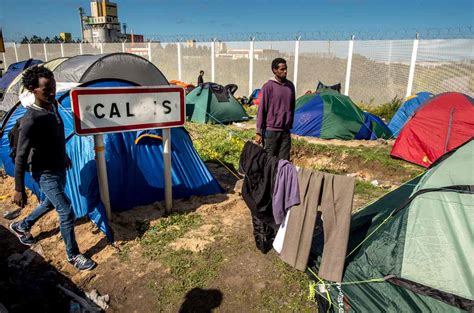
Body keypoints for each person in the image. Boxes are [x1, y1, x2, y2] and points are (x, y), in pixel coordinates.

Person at [9, 66, 96, 271]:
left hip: (58, 168)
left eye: (53, 88)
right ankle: (73, 255)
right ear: (33, 89)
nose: (51, 92)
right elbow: (21, 156)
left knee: (49, 203)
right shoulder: (31, 120)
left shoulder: (53, 106)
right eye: (46, 89)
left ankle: (22, 226)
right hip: (44, 173)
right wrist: (18, 188)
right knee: (66, 211)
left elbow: (55, 137)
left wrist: (64, 155)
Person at [255, 58, 296, 161]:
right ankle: (268, 178)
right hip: (271, 131)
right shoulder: (268, 87)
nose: (285, 71)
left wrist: (289, 123)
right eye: (282, 69)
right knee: (269, 161)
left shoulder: (290, 86)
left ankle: (280, 178)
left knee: (284, 162)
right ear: (274, 70)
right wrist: (259, 132)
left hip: (285, 131)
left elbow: (292, 106)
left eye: (286, 69)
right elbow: (262, 109)